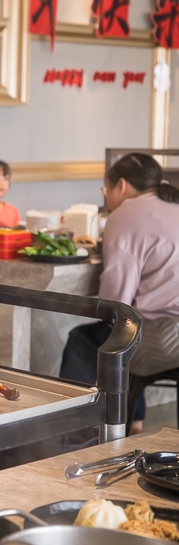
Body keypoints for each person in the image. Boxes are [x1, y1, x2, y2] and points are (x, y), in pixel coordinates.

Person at [60, 152, 179, 434]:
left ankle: (76, 434)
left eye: (106, 189)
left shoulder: (124, 215)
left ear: (121, 186)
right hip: (170, 335)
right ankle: (133, 421)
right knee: (127, 331)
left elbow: (116, 301)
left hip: (166, 340)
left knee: (89, 339)